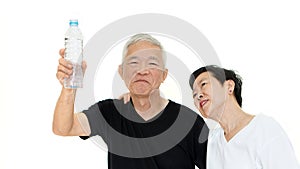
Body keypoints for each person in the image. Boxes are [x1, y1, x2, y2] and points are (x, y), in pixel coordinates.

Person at [53, 33, 208, 169]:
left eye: (152, 63)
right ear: (121, 72)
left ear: (164, 75)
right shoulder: (110, 113)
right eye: (134, 62)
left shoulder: (188, 122)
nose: (142, 70)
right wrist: (69, 86)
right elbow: (63, 128)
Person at [189, 65, 300, 169]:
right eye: (194, 95)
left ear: (229, 86)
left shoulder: (264, 128)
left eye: (203, 84)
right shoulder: (212, 142)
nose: (198, 95)